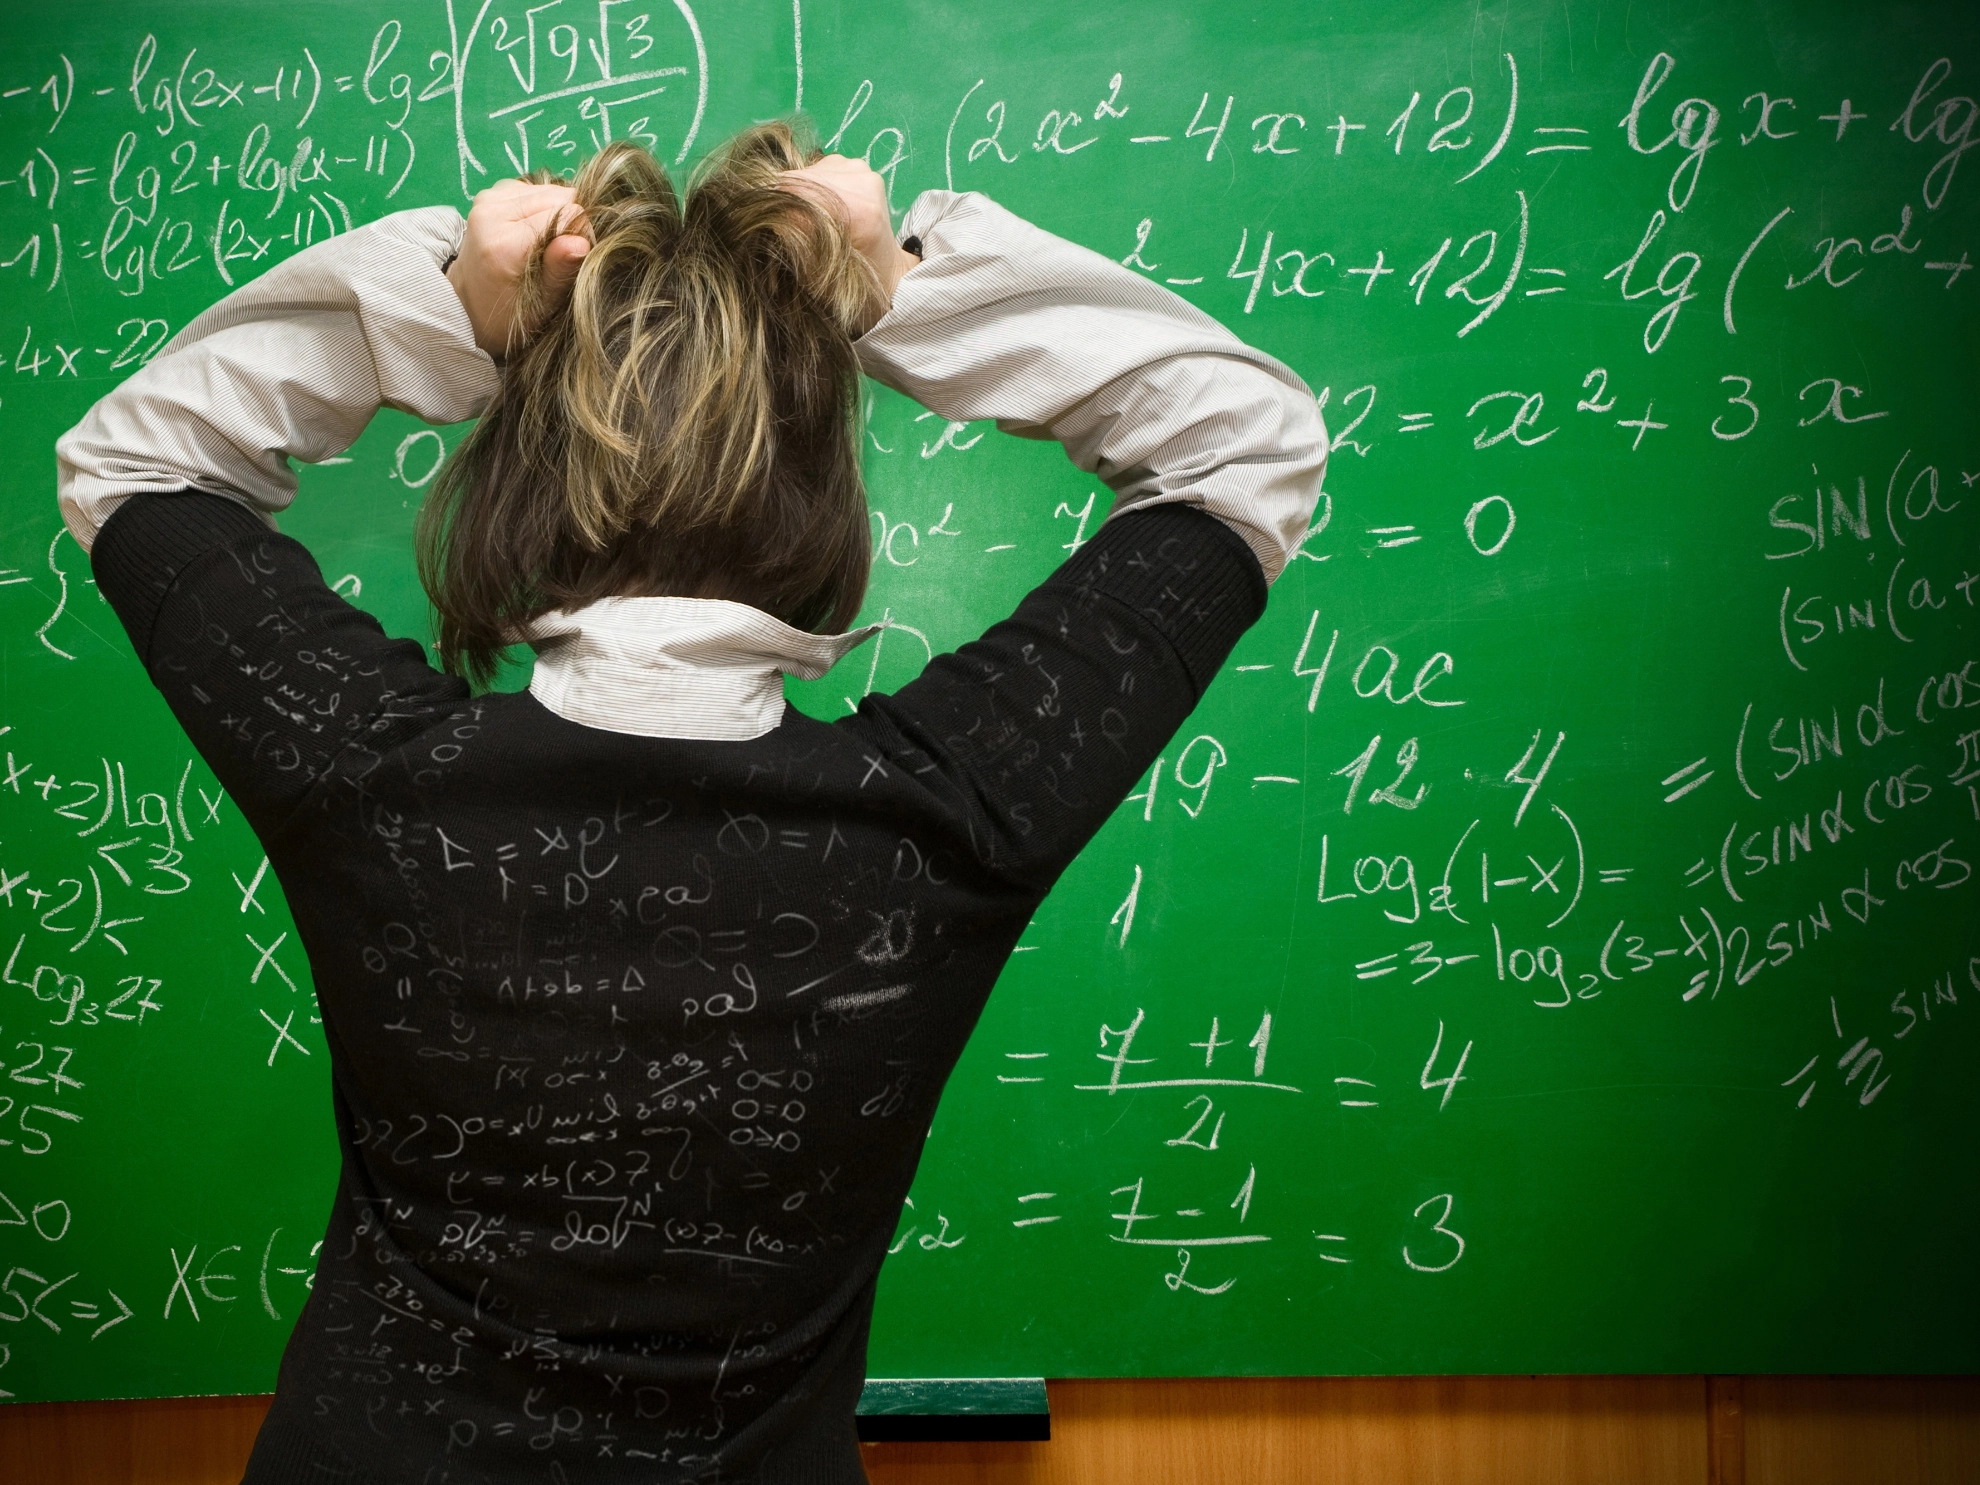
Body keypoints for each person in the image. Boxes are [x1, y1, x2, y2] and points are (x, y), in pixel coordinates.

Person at [57, 122, 1326, 1483]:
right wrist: (891, 281)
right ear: (826, 493)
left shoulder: (364, 768)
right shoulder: (950, 811)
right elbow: (1246, 448)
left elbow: (135, 469)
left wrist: (449, 303)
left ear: (514, 484)